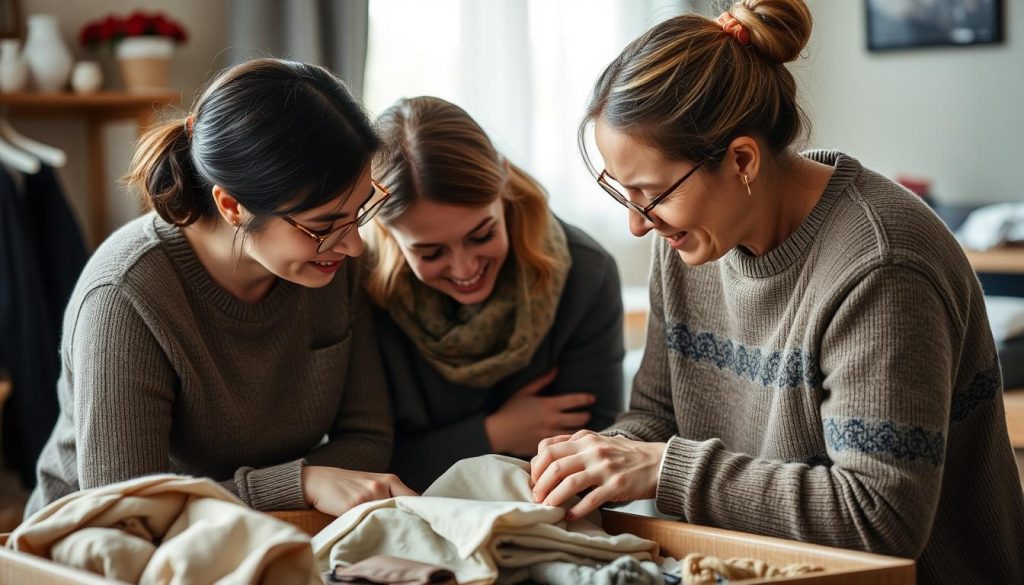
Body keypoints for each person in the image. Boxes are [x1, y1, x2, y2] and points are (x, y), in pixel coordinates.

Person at [528, 2, 1024, 583]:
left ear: (742, 160)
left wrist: (664, 468)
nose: (639, 224)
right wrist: (594, 461)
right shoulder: (691, 242)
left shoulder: (882, 264)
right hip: (757, 568)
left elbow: (880, 516)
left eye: (652, 194)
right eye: (624, 193)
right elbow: (658, 414)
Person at [27, 59, 414, 518]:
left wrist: (289, 490)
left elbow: (369, 440)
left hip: (260, 536)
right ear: (232, 205)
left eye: (360, 210)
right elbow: (128, 508)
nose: (352, 245)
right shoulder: (125, 295)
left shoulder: (330, 265)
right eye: (324, 225)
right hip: (92, 554)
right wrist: (299, 482)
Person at [365, 96, 625, 491]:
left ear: (502, 181)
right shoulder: (360, 290)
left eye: (482, 235)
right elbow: (363, 468)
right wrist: (492, 435)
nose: (465, 269)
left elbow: (595, 470)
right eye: (430, 252)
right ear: (385, 229)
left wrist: (432, 452)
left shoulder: (586, 274)